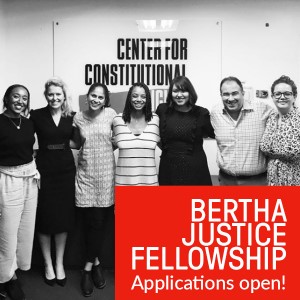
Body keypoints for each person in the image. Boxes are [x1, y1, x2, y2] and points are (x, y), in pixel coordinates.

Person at [29, 77, 76, 287]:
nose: (55, 97)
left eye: (58, 94)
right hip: (44, 170)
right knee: (45, 218)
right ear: (46, 95)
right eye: (51, 94)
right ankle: (48, 264)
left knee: (62, 218)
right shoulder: (36, 115)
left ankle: (59, 264)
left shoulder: (72, 116)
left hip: (66, 170)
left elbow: (77, 141)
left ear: (64, 95)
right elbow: (23, 140)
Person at [71, 83, 116, 297]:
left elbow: (116, 140)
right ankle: (94, 265)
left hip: (106, 176)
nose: (96, 99)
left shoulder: (111, 114)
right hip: (86, 176)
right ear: (87, 96)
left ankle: (89, 268)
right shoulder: (78, 117)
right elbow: (75, 142)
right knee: (90, 223)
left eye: (100, 97)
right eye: (93, 96)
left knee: (99, 223)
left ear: (105, 100)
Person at [0, 85, 39, 300]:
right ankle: (5, 279)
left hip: (29, 179)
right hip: (7, 180)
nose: (20, 101)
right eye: (16, 96)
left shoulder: (28, 123)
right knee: (7, 232)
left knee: (25, 229)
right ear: (6, 98)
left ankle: (13, 271)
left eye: (25, 98)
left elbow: (30, 150)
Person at [211, 76, 273, 185]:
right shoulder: (215, 112)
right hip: (226, 181)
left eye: (235, 93)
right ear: (221, 95)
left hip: (256, 182)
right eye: (226, 94)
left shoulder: (261, 108)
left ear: (243, 93)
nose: (230, 98)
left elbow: (284, 117)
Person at [156, 75, 214, 185]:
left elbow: (216, 134)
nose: (179, 95)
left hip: (195, 169)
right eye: (175, 91)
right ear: (170, 93)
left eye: (184, 91)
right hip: (168, 168)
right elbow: (153, 133)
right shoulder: (162, 110)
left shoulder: (202, 113)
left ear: (190, 92)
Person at [113, 82, 160, 186]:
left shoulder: (155, 119)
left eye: (143, 96)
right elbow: (109, 146)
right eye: (135, 96)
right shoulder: (117, 120)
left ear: (147, 99)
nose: (139, 99)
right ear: (129, 98)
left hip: (150, 185)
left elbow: (165, 144)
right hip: (123, 185)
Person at [260, 75, 300, 185]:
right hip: (272, 182)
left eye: (287, 93)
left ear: (294, 96)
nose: (282, 97)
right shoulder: (271, 118)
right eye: (278, 94)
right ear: (272, 97)